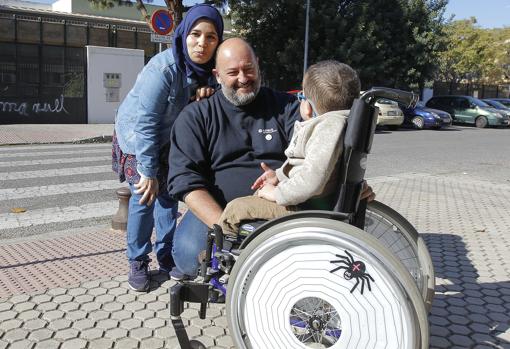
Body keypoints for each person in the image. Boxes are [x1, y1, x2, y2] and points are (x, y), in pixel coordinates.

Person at [168, 38, 375, 278]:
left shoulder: (285, 106)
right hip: (221, 209)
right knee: (188, 257)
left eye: (249, 69)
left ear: (259, 66)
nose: (243, 78)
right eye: (233, 72)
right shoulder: (196, 116)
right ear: (217, 75)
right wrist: (225, 231)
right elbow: (184, 178)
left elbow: (322, 153)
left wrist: (349, 186)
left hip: (281, 204)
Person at [111, 4, 223, 292]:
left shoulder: (210, 74)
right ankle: (136, 260)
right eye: (195, 34)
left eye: (211, 37)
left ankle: (165, 254)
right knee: (145, 195)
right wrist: (147, 171)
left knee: (169, 197)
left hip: (170, 140)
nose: (202, 43)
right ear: (184, 35)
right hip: (139, 137)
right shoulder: (163, 68)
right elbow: (146, 122)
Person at [218, 60, 363, 235]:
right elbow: (311, 166)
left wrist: (277, 193)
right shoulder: (343, 124)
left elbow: (312, 179)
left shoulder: (328, 128)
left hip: (306, 208)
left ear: (308, 107)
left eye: (301, 97)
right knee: (252, 200)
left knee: (235, 210)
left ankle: (224, 257)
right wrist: (278, 175)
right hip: (309, 201)